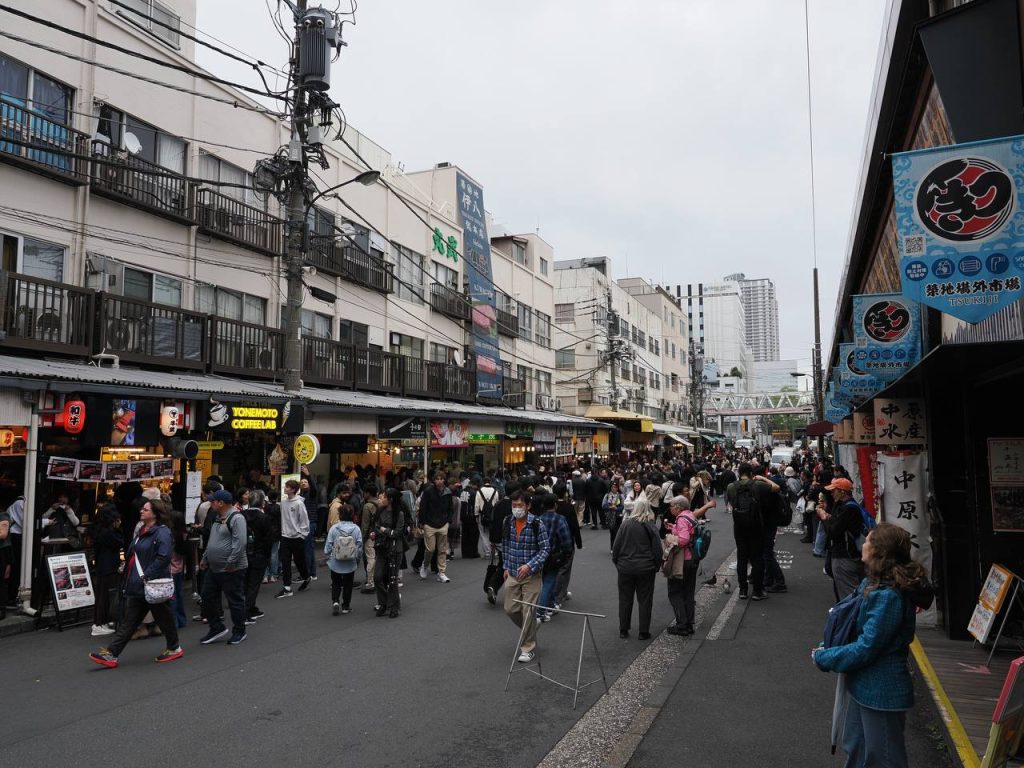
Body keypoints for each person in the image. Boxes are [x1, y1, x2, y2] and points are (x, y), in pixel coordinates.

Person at [813, 524, 934, 768]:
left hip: (882, 692)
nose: (863, 543)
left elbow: (867, 647)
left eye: (868, 541)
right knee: (857, 749)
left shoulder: (888, 596)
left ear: (880, 551)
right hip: (864, 686)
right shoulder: (875, 583)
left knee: (884, 758)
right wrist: (830, 646)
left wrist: (826, 657)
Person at [89, 499, 183, 668]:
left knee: (163, 617)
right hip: (141, 584)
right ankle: (112, 654)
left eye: (146, 509)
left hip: (151, 584)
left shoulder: (162, 532)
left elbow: (164, 557)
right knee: (131, 620)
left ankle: (174, 647)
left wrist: (146, 575)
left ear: (155, 513)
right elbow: (136, 554)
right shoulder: (143, 530)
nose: (141, 511)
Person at [501, 491, 549, 663]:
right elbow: (505, 544)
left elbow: (545, 549)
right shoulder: (508, 521)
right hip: (513, 572)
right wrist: (505, 566)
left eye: (520, 505)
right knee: (510, 609)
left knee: (527, 611)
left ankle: (527, 647)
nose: (517, 509)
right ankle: (532, 627)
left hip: (532, 575)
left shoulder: (537, 524)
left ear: (528, 506)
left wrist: (530, 565)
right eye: (514, 505)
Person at [198, 490, 249, 645]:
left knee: (234, 600)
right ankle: (216, 627)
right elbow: (212, 541)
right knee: (206, 596)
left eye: (213, 501)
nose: (210, 504)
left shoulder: (236, 518)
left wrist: (231, 562)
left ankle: (239, 630)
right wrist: (205, 557)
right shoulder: (217, 518)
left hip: (231, 568)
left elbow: (240, 543)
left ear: (221, 503)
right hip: (214, 568)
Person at [612, 494, 661, 640]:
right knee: (645, 599)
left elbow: (616, 547)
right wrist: (656, 565)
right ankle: (643, 631)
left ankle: (623, 629)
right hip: (646, 567)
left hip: (626, 566)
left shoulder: (625, 524)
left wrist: (617, 562)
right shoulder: (650, 526)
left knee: (625, 599)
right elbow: (657, 549)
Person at [817, 477, 866, 600]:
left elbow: (833, 531)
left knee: (848, 594)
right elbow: (838, 524)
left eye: (834, 491)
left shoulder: (849, 509)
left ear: (842, 492)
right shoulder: (846, 506)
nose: (831, 493)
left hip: (845, 555)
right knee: (846, 590)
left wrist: (824, 517)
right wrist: (828, 515)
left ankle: (849, 617)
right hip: (847, 554)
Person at [725, 462, 766, 601]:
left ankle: (743, 589)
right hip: (756, 525)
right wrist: (763, 478)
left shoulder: (731, 487)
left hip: (739, 525)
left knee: (741, 558)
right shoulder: (758, 485)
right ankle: (757, 591)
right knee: (757, 558)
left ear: (739, 472)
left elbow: (731, 502)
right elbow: (776, 488)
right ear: (751, 473)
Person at [536, 493, 573, 623]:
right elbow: (567, 541)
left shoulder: (538, 519)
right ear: (556, 505)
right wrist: (566, 554)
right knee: (549, 582)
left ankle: (551, 606)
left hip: (540, 555)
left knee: (546, 579)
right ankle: (540, 612)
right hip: (554, 556)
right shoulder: (560, 519)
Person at [373, 489, 407, 618]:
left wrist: (384, 530)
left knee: (392, 579)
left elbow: (397, 533)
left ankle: (393, 607)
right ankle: (384, 602)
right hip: (382, 548)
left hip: (395, 550)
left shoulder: (399, 514)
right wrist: (380, 532)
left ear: (391, 499)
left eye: (385, 497)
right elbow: (376, 527)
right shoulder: (380, 511)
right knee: (377, 577)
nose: (382, 499)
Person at [324, 503, 363, 615]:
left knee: (336, 582)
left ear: (340, 514)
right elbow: (359, 546)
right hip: (350, 562)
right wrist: (357, 558)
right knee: (348, 584)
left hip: (336, 562)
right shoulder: (356, 529)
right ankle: (346, 606)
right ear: (352, 515)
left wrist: (328, 558)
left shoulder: (334, 528)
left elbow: (328, 546)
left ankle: (335, 601)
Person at [276, 479, 311, 598]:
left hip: (297, 537)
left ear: (293, 490)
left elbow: (304, 520)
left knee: (299, 561)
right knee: (285, 562)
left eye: (287, 487)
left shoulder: (299, 503)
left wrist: (302, 535)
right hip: (285, 537)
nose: (284, 488)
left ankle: (306, 577)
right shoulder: (283, 502)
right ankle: (287, 587)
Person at [243, 490, 274, 623]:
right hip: (259, 554)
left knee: (245, 583)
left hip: (244, 554)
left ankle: (251, 608)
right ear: (262, 502)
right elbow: (269, 539)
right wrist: (267, 556)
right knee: (254, 584)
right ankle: (247, 612)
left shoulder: (241, 516)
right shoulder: (264, 518)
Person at [417, 472, 451, 583]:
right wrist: (423, 522)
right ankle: (425, 565)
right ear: (434, 480)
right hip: (430, 524)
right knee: (430, 549)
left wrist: (448, 520)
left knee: (442, 550)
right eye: (437, 479)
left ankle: (441, 572)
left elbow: (450, 507)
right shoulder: (428, 492)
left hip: (443, 523)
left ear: (444, 480)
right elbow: (423, 507)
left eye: (441, 479)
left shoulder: (447, 492)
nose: (440, 481)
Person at [4, 495, 23, 609]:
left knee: (11, 566)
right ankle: (11, 596)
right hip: (17, 537)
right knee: (15, 567)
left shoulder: (11, 506)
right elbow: (26, 522)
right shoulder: (20, 504)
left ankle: (10, 596)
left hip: (12, 537)